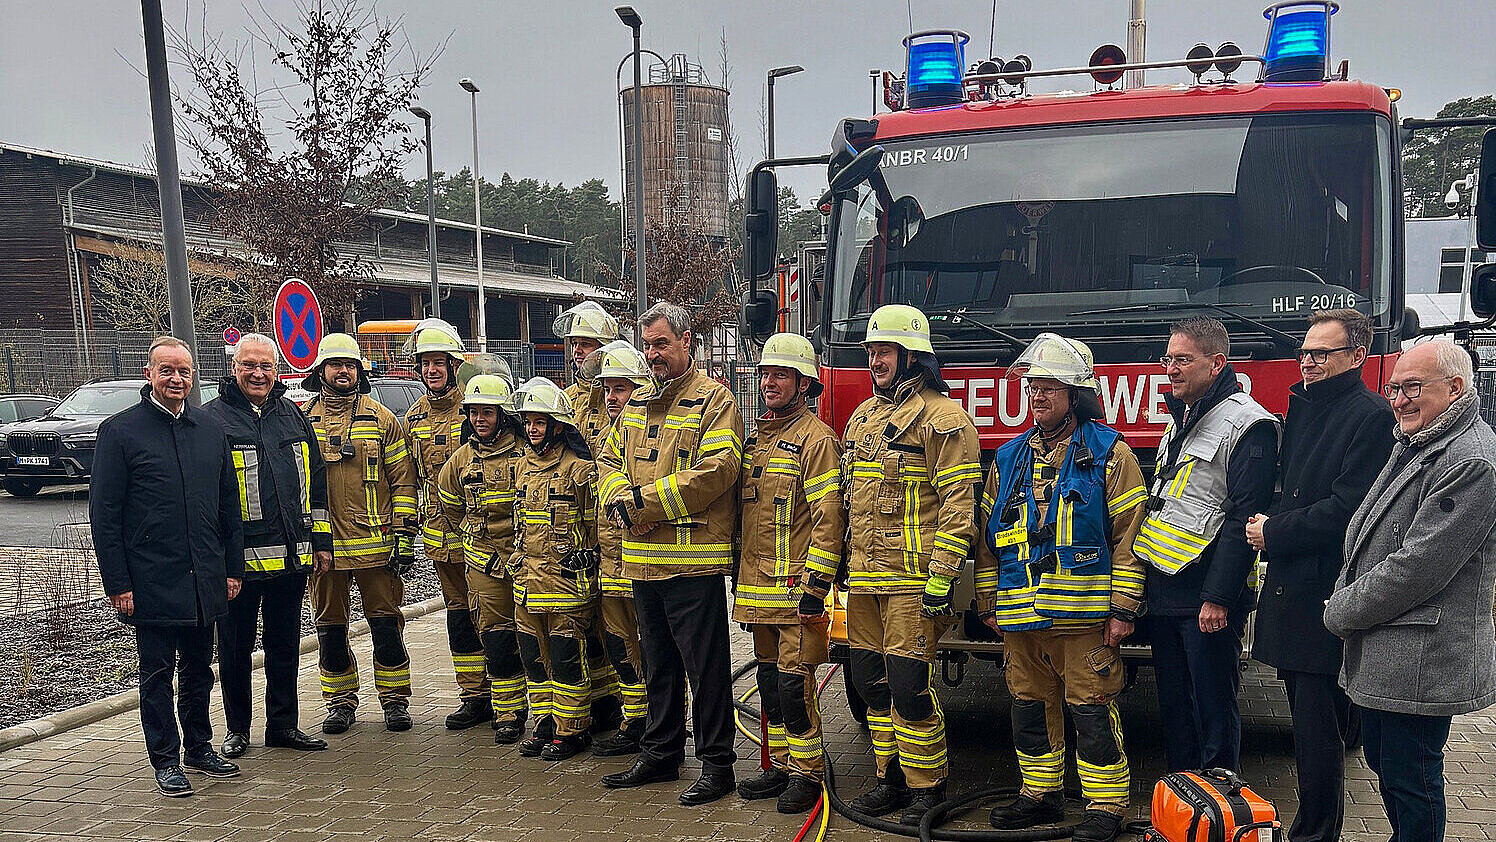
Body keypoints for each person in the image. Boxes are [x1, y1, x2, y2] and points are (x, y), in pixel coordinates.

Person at [975, 334, 1148, 842]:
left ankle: (1106, 805)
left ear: (1076, 395)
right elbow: (987, 540)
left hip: (1086, 620)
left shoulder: (1111, 455)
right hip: (1020, 617)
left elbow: (1130, 539)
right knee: (1028, 707)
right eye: (1034, 387)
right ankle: (1041, 795)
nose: (1039, 396)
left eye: (1051, 388)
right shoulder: (1007, 459)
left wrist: (1123, 608)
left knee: (1090, 710)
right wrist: (987, 600)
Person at [1326, 340, 1496, 842]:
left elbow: (1419, 566)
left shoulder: (1470, 460)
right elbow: (1368, 534)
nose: (1398, 399)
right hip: (1393, 648)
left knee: (1413, 778)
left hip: (1422, 655)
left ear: (1455, 389)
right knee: (1387, 762)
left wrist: (1342, 609)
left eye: (1412, 388)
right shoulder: (1420, 441)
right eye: (1394, 387)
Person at [1245, 310, 1393, 842]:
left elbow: (1347, 508)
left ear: (1356, 356)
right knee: (1314, 722)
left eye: (1321, 353)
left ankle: (1316, 832)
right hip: (1294, 586)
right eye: (1305, 352)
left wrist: (1274, 532)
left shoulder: (1371, 416)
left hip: (1323, 592)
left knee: (1316, 731)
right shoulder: (1305, 407)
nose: (1308, 362)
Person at [597, 301, 744, 806]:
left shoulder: (714, 401)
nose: (653, 354)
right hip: (642, 561)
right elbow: (608, 460)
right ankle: (661, 752)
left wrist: (641, 503)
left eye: (662, 343)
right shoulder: (635, 402)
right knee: (658, 663)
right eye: (648, 345)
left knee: (705, 667)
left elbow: (717, 471)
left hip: (692, 562)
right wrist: (622, 495)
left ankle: (717, 762)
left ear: (687, 343)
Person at [840, 304, 981, 826]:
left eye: (886, 351)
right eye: (872, 351)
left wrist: (942, 579)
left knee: (908, 685)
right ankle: (889, 777)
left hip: (912, 583)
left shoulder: (945, 420)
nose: (876, 360)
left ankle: (928, 785)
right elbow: (846, 501)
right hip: (863, 580)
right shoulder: (862, 418)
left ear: (912, 356)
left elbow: (959, 507)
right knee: (870, 682)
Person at [91, 335, 244, 796]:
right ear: (149, 375)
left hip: (204, 578)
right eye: (167, 371)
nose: (176, 379)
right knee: (157, 674)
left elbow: (227, 507)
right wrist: (118, 582)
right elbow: (105, 514)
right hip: (150, 581)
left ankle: (199, 747)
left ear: (193, 377)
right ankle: (165, 759)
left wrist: (231, 569)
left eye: (184, 372)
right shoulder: (120, 432)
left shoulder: (210, 429)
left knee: (199, 669)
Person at [1137, 317, 1279, 772]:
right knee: (1176, 712)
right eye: (1168, 359)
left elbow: (1244, 518)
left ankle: (1219, 802)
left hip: (1206, 599)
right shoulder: (1182, 415)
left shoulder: (1249, 423)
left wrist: (1218, 597)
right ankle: (1183, 806)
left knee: (1213, 710)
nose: (1171, 369)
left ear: (1216, 363)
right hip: (1166, 592)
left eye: (1183, 359)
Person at [204, 333, 331, 758]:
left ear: (277, 371)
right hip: (237, 566)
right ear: (233, 367)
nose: (258, 374)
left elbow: (316, 485)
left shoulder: (294, 417)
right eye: (249, 365)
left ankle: (282, 725)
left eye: (266, 366)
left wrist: (321, 543)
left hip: (292, 559)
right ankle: (237, 730)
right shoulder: (212, 421)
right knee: (235, 650)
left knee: (284, 646)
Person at [733, 333, 845, 815]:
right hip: (758, 592)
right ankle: (778, 766)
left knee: (794, 687)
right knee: (770, 686)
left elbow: (829, 516)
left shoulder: (816, 441)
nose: (769, 381)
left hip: (797, 594)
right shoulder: (757, 438)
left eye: (781, 374)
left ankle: (808, 773)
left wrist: (817, 587)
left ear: (805, 384)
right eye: (765, 373)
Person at [302, 333, 419, 734]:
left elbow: (404, 482)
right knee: (330, 630)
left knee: (386, 626)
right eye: (335, 365)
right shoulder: (303, 421)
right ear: (321, 371)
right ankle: (339, 702)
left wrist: (404, 537)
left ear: (360, 372)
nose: (343, 371)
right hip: (325, 551)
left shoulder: (383, 419)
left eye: (350, 365)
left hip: (376, 546)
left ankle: (395, 700)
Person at [508, 378, 601, 760]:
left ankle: (572, 730)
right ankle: (544, 723)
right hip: (527, 584)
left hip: (565, 584)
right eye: (528, 421)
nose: (532, 429)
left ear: (558, 426)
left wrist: (592, 554)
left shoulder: (580, 470)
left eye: (540, 422)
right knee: (534, 659)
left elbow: (599, 523)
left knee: (565, 660)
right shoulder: (521, 468)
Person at [404, 321, 490, 730]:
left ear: (455, 365)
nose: (433, 370)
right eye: (426, 363)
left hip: (480, 536)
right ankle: (473, 694)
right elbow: (409, 478)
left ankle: (508, 693)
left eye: (441, 362)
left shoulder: (474, 408)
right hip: (440, 539)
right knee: (458, 616)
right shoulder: (415, 416)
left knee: (491, 614)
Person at [436, 375, 530, 744]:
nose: (479, 419)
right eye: (473, 413)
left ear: (503, 415)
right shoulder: (460, 460)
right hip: (485, 564)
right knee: (496, 636)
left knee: (535, 637)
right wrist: (476, 540)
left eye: (487, 412)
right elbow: (450, 503)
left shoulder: (527, 452)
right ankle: (507, 710)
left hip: (528, 561)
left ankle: (546, 712)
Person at [554, 301, 626, 735]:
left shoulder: (622, 393)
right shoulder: (566, 400)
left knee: (622, 629)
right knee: (589, 628)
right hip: (575, 529)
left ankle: (632, 711)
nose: (579, 352)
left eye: (588, 344)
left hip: (616, 531)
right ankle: (601, 708)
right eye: (575, 345)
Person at [585, 340, 654, 757]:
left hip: (644, 560)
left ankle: (663, 722)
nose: (612, 398)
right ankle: (635, 721)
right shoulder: (600, 435)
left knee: (653, 649)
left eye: (621, 389)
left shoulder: (649, 430)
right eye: (608, 390)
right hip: (608, 561)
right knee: (620, 645)